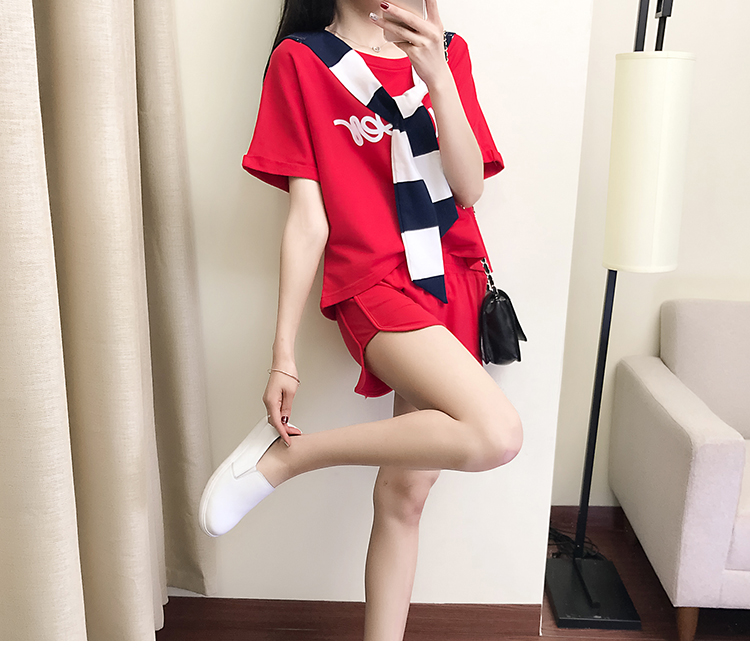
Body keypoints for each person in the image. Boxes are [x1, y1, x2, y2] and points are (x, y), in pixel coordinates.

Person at [199, 0, 523, 641]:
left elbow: (469, 190)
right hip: (372, 284)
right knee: (496, 433)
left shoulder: (445, 50)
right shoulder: (302, 61)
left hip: (452, 281)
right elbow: (307, 220)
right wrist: (283, 352)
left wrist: (437, 77)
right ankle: (292, 458)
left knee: (405, 497)